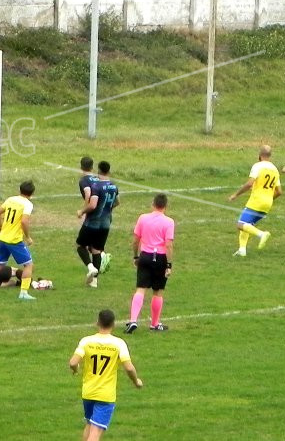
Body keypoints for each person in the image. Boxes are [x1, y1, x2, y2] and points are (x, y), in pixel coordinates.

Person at [69, 309, 143, 441]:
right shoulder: (118, 344)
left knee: (90, 424)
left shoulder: (86, 341)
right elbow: (129, 368)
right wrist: (136, 381)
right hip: (105, 395)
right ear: (113, 324)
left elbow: (73, 362)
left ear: (97, 322)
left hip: (88, 392)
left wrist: (75, 370)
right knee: (95, 434)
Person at [0, 180, 37, 301]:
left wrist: (0, 227)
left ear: (19, 190)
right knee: (28, 265)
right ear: (31, 194)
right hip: (14, 240)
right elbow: (24, 221)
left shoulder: (10, 199)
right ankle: (23, 293)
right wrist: (28, 237)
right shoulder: (28, 204)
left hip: (3, 238)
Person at [126, 193, 174, 333]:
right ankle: (154, 323)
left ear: (153, 204)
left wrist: (136, 256)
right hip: (160, 257)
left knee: (141, 288)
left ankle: (133, 320)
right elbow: (169, 244)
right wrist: (169, 264)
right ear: (165, 206)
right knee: (158, 292)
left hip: (145, 256)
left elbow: (136, 240)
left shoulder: (143, 218)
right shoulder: (169, 222)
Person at [227, 145, 282, 257]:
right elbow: (279, 191)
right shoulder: (275, 169)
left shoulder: (258, 166)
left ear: (260, 155)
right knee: (247, 224)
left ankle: (262, 234)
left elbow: (249, 184)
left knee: (240, 224)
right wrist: (270, 199)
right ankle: (242, 250)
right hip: (268, 203)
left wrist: (235, 195)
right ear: (270, 155)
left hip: (256, 201)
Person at [76, 158, 119, 287]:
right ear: (109, 171)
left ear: (98, 170)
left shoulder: (96, 186)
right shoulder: (114, 186)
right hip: (106, 223)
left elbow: (93, 205)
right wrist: (107, 208)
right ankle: (94, 281)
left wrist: (82, 211)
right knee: (96, 250)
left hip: (93, 222)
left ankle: (91, 268)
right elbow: (117, 202)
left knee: (80, 245)